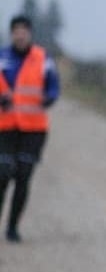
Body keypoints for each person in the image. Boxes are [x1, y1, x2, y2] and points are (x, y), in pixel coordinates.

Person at [0, 15, 60, 243]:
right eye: (16, 30)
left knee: (24, 176)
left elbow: (54, 87)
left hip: (34, 128)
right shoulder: (2, 58)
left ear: (30, 33)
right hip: (5, 126)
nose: (20, 34)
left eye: (24, 30)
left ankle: (13, 227)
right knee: (3, 174)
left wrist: (49, 99)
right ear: (11, 33)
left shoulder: (43, 59)